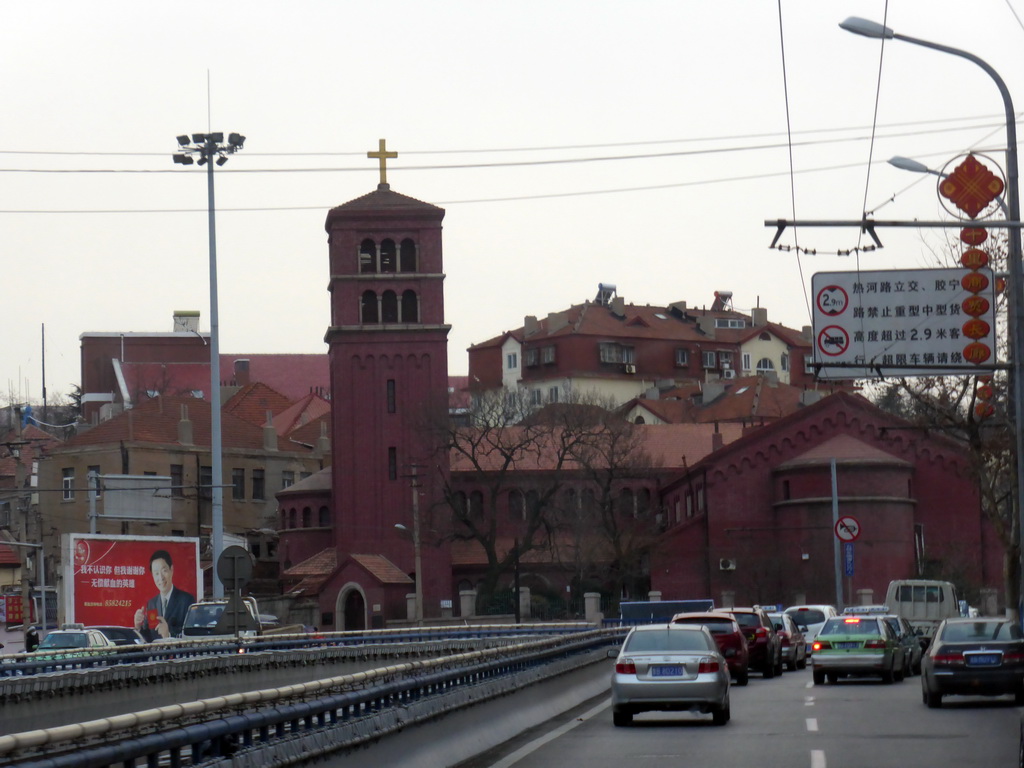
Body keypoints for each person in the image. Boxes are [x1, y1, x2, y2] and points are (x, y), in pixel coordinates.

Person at [133, 550, 195, 641]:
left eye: (164, 571)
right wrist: (138, 626)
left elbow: (191, 634)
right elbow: (149, 638)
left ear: (171, 570)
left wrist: (168, 634)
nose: (161, 578)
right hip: (157, 654)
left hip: (177, 654)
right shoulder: (152, 604)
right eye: (156, 573)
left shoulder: (186, 600)